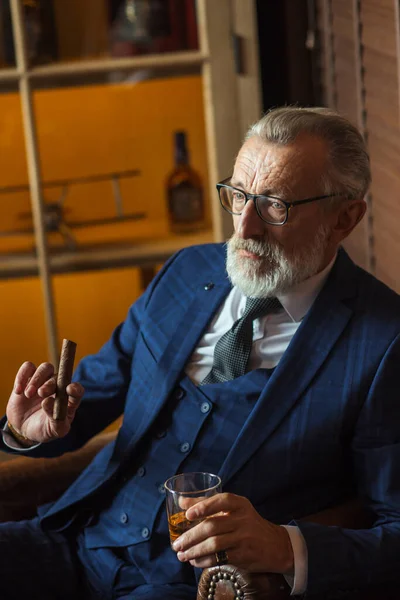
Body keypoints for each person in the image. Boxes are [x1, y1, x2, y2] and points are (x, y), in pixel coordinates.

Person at [1, 107, 399, 600]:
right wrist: (27, 430)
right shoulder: (186, 272)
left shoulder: (384, 343)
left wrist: (283, 547)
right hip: (72, 538)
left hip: (189, 587)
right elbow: (84, 402)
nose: (245, 227)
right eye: (238, 195)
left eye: (275, 205)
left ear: (345, 218)